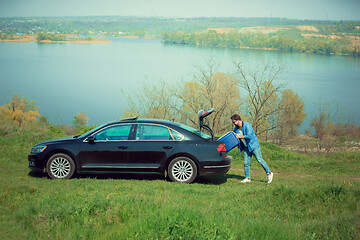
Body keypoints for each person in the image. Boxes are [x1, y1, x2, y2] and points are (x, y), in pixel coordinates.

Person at [231, 114, 274, 184]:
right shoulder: (236, 129)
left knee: (260, 160)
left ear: (238, 120)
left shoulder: (247, 125)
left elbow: (249, 136)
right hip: (246, 147)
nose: (233, 123)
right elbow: (236, 137)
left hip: (253, 146)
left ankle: (269, 173)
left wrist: (240, 136)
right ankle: (247, 178)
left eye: (234, 122)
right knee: (246, 163)